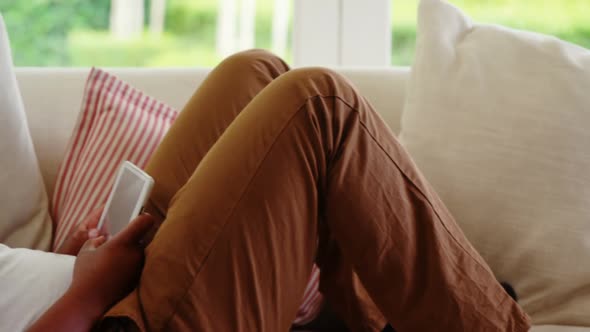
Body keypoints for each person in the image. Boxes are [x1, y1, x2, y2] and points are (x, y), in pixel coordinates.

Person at [25, 49, 531, 331]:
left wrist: (65, 264)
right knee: (320, 104)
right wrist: (87, 291)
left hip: (81, 300)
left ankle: (380, 321)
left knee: (252, 72)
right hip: (111, 321)